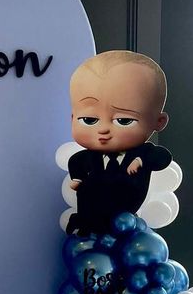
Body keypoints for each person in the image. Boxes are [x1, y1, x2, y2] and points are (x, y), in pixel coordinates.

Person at [65, 50, 172, 235]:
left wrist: (142, 161)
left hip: (125, 215)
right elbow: (76, 161)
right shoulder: (87, 157)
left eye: (123, 120)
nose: (103, 129)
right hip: (91, 211)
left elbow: (162, 157)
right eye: (90, 120)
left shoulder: (144, 152)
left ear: (158, 121)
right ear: (72, 118)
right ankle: (81, 222)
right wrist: (77, 177)